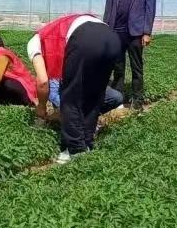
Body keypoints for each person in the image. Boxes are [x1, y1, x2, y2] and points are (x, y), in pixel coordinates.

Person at [27, 13, 123, 164]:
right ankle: (87, 143)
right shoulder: (59, 28)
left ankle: (74, 150)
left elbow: (43, 81)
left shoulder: (34, 42)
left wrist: (41, 106)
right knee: (95, 95)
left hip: (85, 39)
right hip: (113, 40)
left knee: (71, 96)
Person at [102, 0, 156, 109]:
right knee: (117, 66)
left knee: (136, 67)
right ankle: (118, 99)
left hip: (136, 32)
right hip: (116, 31)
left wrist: (147, 32)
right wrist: (105, 28)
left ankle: (137, 100)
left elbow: (150, 8)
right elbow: (108, 7)